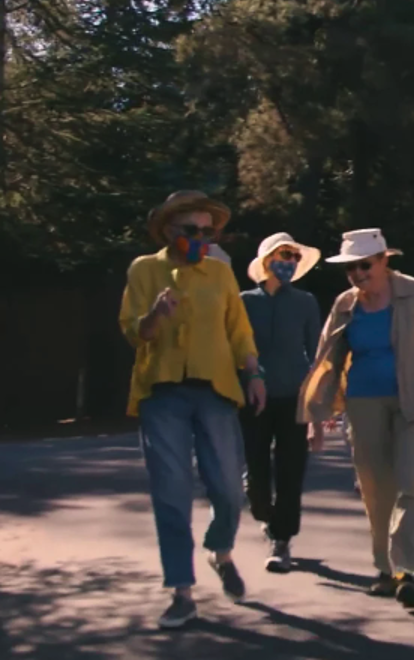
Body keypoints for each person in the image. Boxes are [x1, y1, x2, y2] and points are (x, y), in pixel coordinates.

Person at [118, 190, 268, 629]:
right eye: (192, 231)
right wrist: (155, 315)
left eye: (208, 231)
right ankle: (181, 592)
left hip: (216, 390)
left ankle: (220, 551)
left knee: (227, 488)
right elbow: (134, 332)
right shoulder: (145, 269)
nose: (201, 237)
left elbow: (240, 331)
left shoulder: (220, 275)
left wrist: (254, 375)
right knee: (171, 491)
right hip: (163, 392)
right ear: (169, 230)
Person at [300, 228, 414, 610]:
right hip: (363, 403)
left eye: (365, 265)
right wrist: (317, 414)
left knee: (409, 480)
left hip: (413, 400)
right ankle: (385, 569)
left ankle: (410, 572)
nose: (358, 274)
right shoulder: (346, 304)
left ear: (383, 261)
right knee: (375, 488)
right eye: (351, 269)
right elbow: (325, 361)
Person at [239, 232, 323, 573]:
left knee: (291, 471)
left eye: (293, 257)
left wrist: (319, 401)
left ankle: (282, 540)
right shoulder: (244, 301)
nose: (288, 263)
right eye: (282, 256)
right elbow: (237, 346)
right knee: (258, 474)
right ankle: (261, 509)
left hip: (295, 397)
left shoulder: (305, 302)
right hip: (254, 398)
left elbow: (318, 353)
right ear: (265, 262)